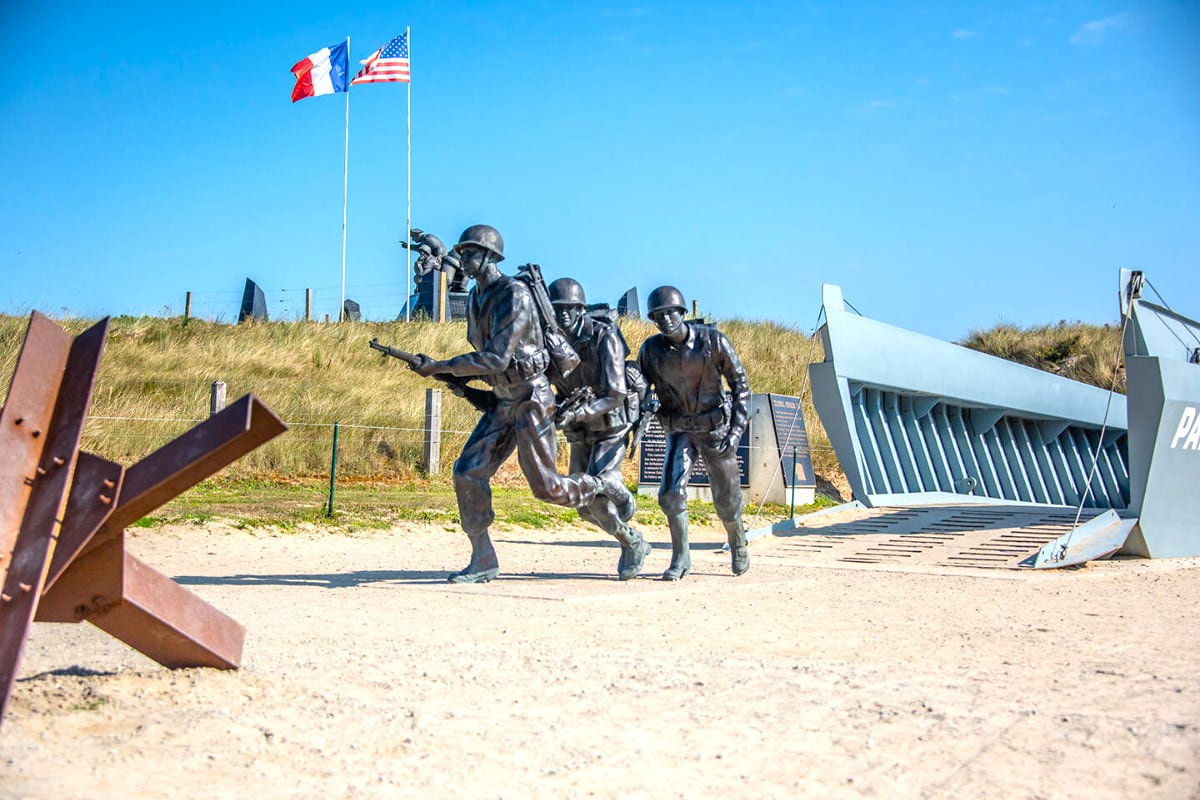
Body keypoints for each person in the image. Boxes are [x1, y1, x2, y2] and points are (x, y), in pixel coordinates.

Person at [412, 225, 606, 583]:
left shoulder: (514, 294)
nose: (462, 259)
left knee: (548, 489)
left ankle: (599, 486)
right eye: (462, 253)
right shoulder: (474, 297)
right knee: (467, 472)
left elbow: (497, 358)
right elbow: (485, 359)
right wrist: (452, 376)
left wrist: (440, 366)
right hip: (503, 398)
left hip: (532, 398)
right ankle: (483, 558)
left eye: (469, 253)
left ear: (489, 256)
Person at [637, 286, 751, 580]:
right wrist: (643, 401)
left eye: (669, 313)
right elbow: (638, 386)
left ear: (682, 312)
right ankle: (681, 558)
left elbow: (741, 388)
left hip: (716, 429)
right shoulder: (651, 350)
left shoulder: (713, 341)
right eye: (657, 316)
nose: (664, 320)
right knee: (671, 495)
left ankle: (738, 542)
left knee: (727, 499)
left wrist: (736, 431)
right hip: (680, 429)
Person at [547, 277, 652, 580]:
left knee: (597, 489)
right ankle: (632, 538)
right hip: (579, 428)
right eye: (558, 309)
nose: (564, 314)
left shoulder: (603, 336)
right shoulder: (551, 340)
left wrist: (579, 413)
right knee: (581, 505)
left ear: (581, 308)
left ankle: (622, 503)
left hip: (610, 423)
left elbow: (616, 392)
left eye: (570, 308)